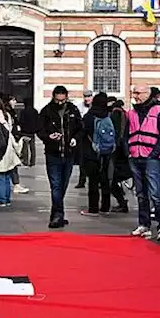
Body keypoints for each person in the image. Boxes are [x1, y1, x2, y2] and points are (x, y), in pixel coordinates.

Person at [127, 84, 160, 240]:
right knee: (141, 193)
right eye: (133, 93)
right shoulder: (132, 113)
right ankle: (144, 224)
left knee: (155, 193)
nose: (135, 96)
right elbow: (127, 133)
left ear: (147, 94)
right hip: (136, 155)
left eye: (138, 92)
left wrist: (154, 154)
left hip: (152, 157)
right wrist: (129, 152)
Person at [38, 86, 82, 228]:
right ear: (54, 97)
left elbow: (80, 128)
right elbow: (40, 130)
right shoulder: (47, 111)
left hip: (69, 154)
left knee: (62, 185)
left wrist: (75, 138)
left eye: (62, 100)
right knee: (56, 185)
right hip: (53, 154)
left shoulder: (73, 110)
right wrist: (49, 137)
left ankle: (57, 214)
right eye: (58, 100)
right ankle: (57, 215)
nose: (60, 103)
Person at [80, 93, 115, 216]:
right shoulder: (108, 115)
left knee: (93, 181)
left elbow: (82, 133)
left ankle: (93, 208)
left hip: (92, 153)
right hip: (106, 152)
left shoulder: (89, 116)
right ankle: (105, 207)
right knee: (105, 179)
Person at [0, 94, 21, 210]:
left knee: (0, 174)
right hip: (8, 146)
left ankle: (1, 199)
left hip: (0, 147)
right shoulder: (6, 114)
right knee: (7, 174)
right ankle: (6, 198)